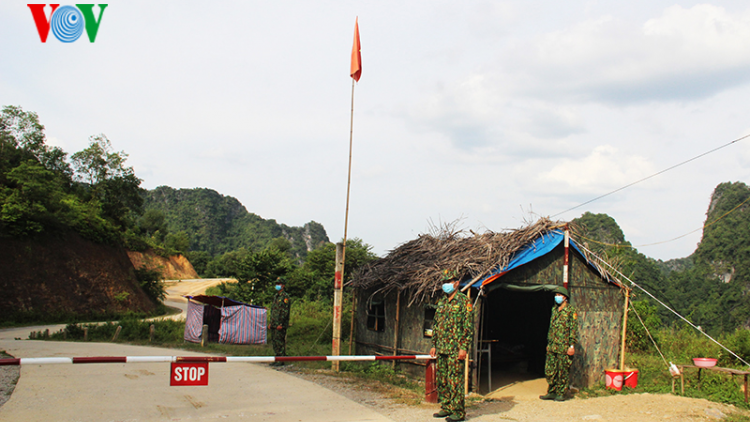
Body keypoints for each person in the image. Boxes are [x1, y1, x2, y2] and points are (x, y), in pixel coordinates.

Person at [429, 270, 473, 422]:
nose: (445, 285)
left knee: (455, 380)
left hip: (455, 349)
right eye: (444, 282)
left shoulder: (464, 301)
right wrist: (434, 343)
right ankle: (446, 406)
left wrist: (464, 347)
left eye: (449, 281)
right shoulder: (441, 301)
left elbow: (468, 327)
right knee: (442, 379)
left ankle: (458, 412)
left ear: (456, 283)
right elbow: (436, 324)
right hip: (441, 347)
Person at [540, 286, 578, 401]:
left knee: (562, 370)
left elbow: (573, 329)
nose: (556, 297)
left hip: (564, 346)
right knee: (550, 370)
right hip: (553, 346)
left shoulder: (571, 311)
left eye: (559, 295)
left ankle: (561, 393)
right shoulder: (554, 310)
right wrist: (549, 343)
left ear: (565, 297)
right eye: (556, 295)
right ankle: (551, 391)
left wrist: (571, 346)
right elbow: (551, 328)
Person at [268, 277, 291, 366]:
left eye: (279, 284)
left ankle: (281, 359)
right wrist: (271, 322)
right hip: (274, 323)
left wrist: (281, 323)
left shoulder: (285, 297)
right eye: (276, 284)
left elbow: (284, 311)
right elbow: (274, 310)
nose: (277, 285)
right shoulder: (276, 297)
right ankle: (277, 358)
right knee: (275, 341)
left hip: (280, 324)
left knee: (280, 341)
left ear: (283, 285)